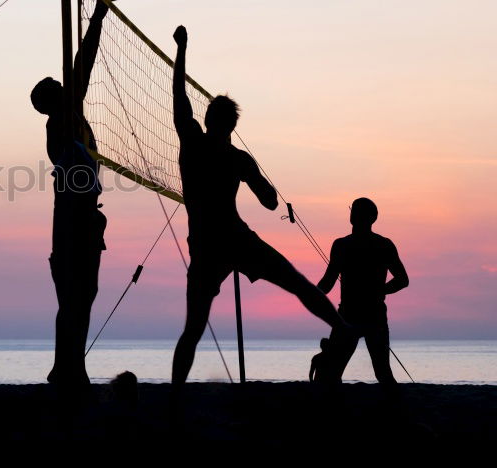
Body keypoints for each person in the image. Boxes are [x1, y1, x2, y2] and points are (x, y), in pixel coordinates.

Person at [169, 26, 351, 386]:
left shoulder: (193, 142)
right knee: (296, 283)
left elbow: (177, 95)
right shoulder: (237, 158)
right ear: (233, 126)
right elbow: (269, 203)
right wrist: (262, 181)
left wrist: (181, 49)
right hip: (233, 240)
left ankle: (175, 396)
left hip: (208, 243)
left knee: (193, 328)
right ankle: (341, 327)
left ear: (208, 121)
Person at [30, 0, 109, 389]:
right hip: (72, 219)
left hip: (83, 216)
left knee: (84, 294)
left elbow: (80, 70)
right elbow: (85, 61)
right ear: (51, 101)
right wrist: (98, 12)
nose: (65, 86)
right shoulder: (62, 118)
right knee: (74, 298)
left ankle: (70, 367)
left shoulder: (68, 118)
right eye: (58, 88)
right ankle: (66, 369)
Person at [315, 198, 408, 385]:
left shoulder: (374, 245)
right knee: (340, 372)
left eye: (357, 211)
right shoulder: (350, 245)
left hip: (362, 315)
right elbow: (327, 283)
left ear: (372, 218)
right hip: (358, 314)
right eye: (353, 210)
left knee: (379, 371)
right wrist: (310, 293)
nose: (354, 214)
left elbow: (403, 280)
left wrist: (381, 290)